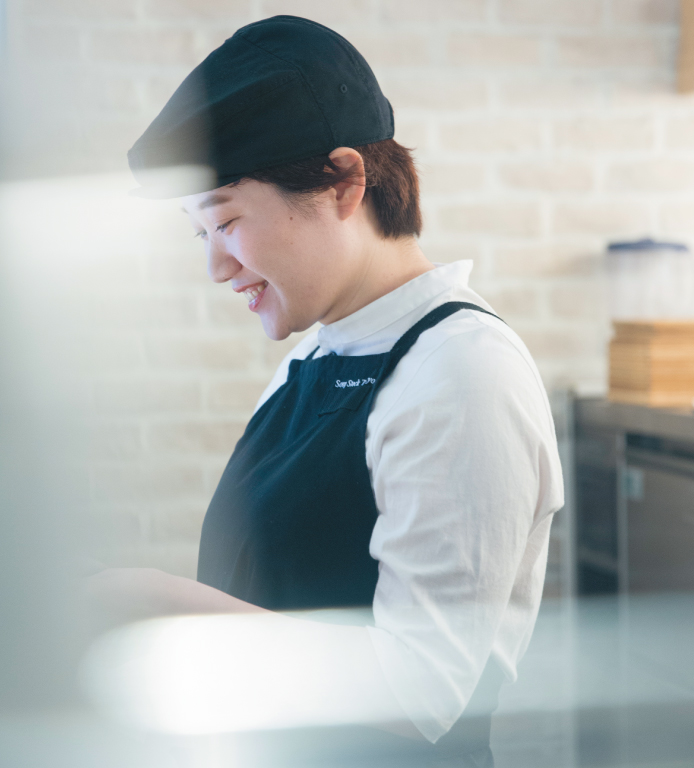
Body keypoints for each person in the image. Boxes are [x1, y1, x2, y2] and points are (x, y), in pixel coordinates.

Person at [88, 15, 564, 767]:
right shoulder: (314, 355)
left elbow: (420, 690)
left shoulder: (462, 371)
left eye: (227, 222)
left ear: (344, 182)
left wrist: (159, 602)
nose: (215, 267)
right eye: (198, 234)